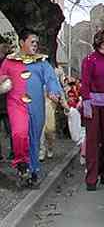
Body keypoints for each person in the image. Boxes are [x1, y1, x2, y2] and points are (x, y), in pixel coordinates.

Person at [0, 29, 63, 187]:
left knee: (34, 138)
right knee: (19, 132)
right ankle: (21, 163)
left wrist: (54, 92)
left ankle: (33, 170)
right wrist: (3, 82)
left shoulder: (42, 62)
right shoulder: (9, 62)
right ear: (22, 43)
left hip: (36, 105)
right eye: (31, 42)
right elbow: (1, 78)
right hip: (16, 104)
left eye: (36, 42)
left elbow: (51, 80)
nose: (35, 45)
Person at [80, 30, 104, 191]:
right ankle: (91, 178)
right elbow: (85, 83)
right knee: (93, 141)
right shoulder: (89, 60)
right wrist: (86, 102)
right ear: (102, 45)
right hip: (93, 104)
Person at [0, 41, 14, 161]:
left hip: (5, 102)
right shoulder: (10, 65)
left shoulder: (7, 65)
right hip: (8, 103)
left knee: (11, 130)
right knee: (11, 130)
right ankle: (14, 152)